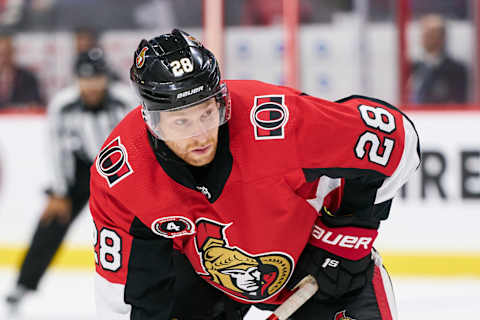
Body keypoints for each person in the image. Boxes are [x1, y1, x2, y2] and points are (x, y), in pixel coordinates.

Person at [90, 29, 421, 319]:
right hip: (204, 282)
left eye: (207, 113)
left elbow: (398, 142)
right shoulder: (122, 174)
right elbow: (125, 297)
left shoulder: (276, 124)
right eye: (181, 122)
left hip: (321, 268)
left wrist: (346, 238)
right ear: (152, 121)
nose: (201, 135)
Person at [4, 47, 135, 315]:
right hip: (80, 167)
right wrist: (60, 192)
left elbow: (138, 144)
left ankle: (146, 283)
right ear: (77, 79)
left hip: (120, 170)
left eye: (97, 78)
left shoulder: (125, 100)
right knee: (52, 221)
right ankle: (23, 286)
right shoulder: (63, 104)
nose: (92, 85)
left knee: (140, 223)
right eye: (86, 79)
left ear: (106, 79)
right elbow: (55, 149)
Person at [409, 13, 468, 104]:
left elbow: (459, 103)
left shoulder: (456, 70)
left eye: (432, 34)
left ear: (443, 37)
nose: (426, 38)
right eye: (424, 33)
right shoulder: (412, 68)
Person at [0, 30, 44, 110]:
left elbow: (36, 104)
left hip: (20, 120)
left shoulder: (28, 78)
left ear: (12, 53)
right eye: (1, 54)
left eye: (6, 53)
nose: (3, 59)